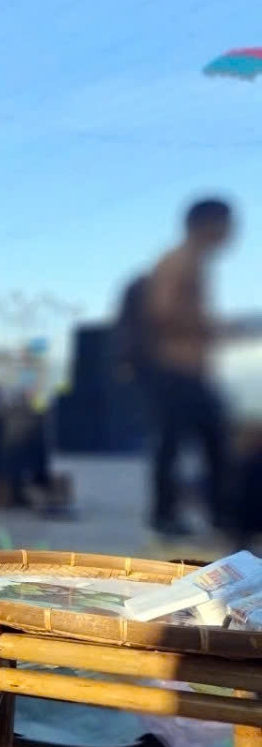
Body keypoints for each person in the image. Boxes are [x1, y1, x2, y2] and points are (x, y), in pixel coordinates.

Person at [140, 198, 235, 536]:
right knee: (182, 443)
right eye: (227, 223)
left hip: (188, 369)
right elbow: (161, 312)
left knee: (207, 442)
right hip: (175, 368)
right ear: (206, 224)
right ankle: (170, 515)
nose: (231, 232)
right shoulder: (180, 261)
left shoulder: (193, 261)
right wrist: (205, 326)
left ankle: (217, 513)